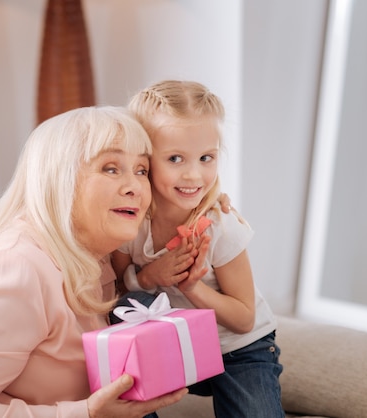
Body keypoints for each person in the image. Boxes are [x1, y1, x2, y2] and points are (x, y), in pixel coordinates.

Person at [0, 106, 188, 418]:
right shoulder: (14, 269)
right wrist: (88, 412)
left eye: (141, 170)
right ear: (59, 179)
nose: (135, 187)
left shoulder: (92, 257)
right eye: (110, 168)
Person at [111, 80, 284, 418]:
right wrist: (148, 277)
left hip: (237, 350)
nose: (194, 174)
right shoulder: (132, 220)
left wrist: (190, 287)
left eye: (207, 157)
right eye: (175, 158)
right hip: (176, 345)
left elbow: (244, 319)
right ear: (143, 160)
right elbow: (118, 288)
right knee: (125, 309)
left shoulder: (220, 226)